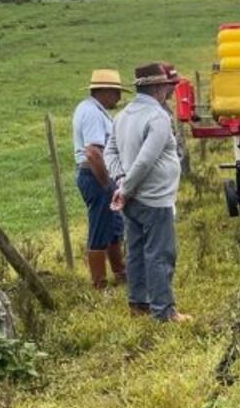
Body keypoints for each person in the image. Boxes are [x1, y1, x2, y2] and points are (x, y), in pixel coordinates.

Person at [105, 62, 191, 323]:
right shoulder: (157, 117)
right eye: (166, 86)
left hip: (132, 197)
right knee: (160, 254)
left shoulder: (123, 116)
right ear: (157, 87)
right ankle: (163, 311)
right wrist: (126, 186)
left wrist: (121, 181)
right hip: (155, 196)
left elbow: (110, 152)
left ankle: (138, 303)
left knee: (137, 250)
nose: (168, 90)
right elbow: (146, 159)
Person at [72, 69, 127, 289]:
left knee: (113, 225)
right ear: (104, 91)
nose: (119, 97)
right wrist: (106, 183)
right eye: (115, 92)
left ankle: (120, 272)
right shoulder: (92, 113)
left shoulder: (93, 109)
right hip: (95, 174)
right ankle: (99, 283)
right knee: (99, 227)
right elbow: (93, 152)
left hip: (99, 173)